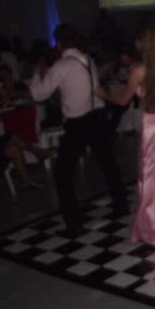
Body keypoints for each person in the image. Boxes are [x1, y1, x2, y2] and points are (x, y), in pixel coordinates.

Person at [29, 23, 128, 238]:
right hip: (97, 117)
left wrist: (36, 75)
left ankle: (74, 224)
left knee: (62, 173)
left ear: (59, 43)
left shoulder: (62, 65)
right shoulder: (87, 59)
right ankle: (121, 205)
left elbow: (38, 94)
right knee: (107, 162)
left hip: (79, 122)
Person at [96, 24, 155, 247]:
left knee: (151, 177)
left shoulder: (140, 70)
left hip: (154, 125)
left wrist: (102, 95)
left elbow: (123, 100)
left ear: (143, 45)